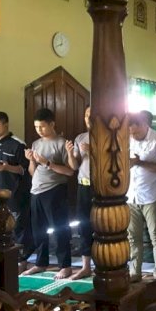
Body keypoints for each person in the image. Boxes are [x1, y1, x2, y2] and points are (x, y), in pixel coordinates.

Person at [22, 108, 74, 279]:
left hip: (54, 190)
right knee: (39, 230)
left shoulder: (61, 143)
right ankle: (40, 263)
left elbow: (69, 172)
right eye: (37, 127)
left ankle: (65, 265)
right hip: (36, 190)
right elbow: (32, 172)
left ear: (52, 124)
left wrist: (48, 163)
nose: (39, 130)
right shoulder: (36, 143)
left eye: (42, 126)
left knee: (60, 229)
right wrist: (31, 160)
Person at [0, 111, 33, 272]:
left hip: (15, 194)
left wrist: (7, 167)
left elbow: (24, 170)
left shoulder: (18, 144)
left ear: (5, 124)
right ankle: (1, 262)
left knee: (18, 229)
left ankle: (21, 261)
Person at [127, 111, 156, 282]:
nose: (133, 135)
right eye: (130, 133)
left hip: (152, 194)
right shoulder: (127, 139)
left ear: (144, 124)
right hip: (131, 195)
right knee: (133, 237)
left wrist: (139, 163)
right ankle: (134, 272)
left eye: (135, 132)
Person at [65, 106, 94, 280]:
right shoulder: (80, 137)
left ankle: (108, 263)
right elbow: (74, 166)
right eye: (86, 115)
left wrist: (94, 151)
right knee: (84, 226)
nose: (89, 118)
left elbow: (113, 162)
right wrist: (70, 153)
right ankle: (85, 266)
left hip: (101, 188)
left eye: (92, 115)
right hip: (83, 185)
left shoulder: (109, 136)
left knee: (103, 226)